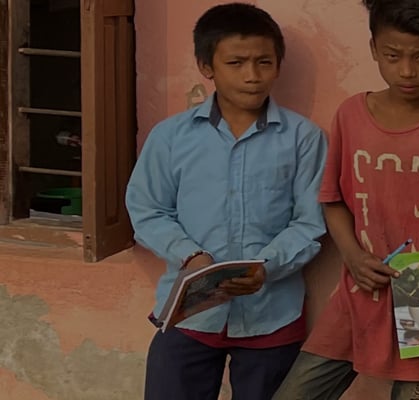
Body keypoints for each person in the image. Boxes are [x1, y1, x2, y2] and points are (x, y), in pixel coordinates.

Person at [278, 0, 419, 398]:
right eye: (393, 56)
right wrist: (351, 254)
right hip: (362, 286)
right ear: (373, 49)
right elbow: (332, 199)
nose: (407, 70)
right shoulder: (351, 114)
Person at [130, 4, 324, 399]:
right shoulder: (171, 137)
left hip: (272, 314)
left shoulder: (303, 138)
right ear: (207, 66)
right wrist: (190, 256)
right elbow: (148, 211)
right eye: (236, 63)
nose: (252, 76)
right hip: (189, 315)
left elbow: (310, 221)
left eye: (263, 62)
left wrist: (266, 268)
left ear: (278, 64)